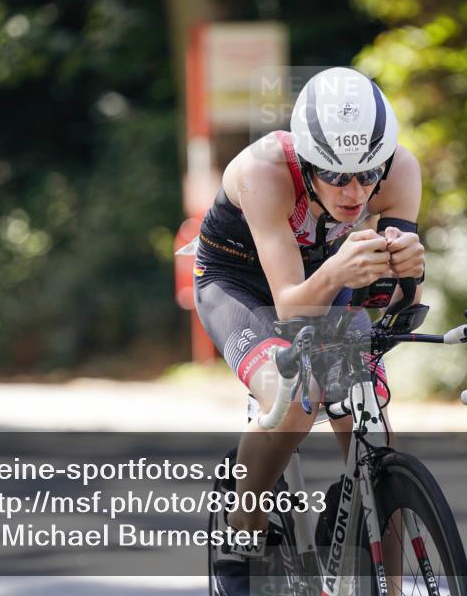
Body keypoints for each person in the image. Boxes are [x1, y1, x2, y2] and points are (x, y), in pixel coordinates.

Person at [193, 67, 425, 594]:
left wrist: (410, 271)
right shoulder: (265, 170)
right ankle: (242, 531)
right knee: (294, 395)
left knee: (366, 414)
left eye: (368, 175)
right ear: (307, 160)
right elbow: (291, 307)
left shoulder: (401, 171)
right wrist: (343, 275)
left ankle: (389, 584)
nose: (356, 191)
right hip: (242, 283)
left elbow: (396, 302)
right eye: (337, 176)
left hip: (323, 272)